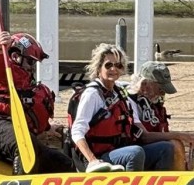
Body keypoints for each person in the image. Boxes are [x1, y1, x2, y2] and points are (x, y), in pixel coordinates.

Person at [0, 30, 76, 174]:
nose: (32, 67)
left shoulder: (25, 83)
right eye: (30, 61)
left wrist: (47, 128)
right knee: (24, 145)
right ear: (15, 56)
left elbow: (29, 111)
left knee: (63, 163)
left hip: (16, 128)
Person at [68, 43, 176, 173]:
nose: (113, 69)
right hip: (98, 158)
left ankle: (159, 184)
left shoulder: (120, 92)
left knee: (166, 148)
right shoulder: (92, 94)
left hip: (119, 151)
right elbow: (77, 131)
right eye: (108, 65)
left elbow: (140, 131)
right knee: (135, 152)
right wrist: (92, 160)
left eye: (118, 65)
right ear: (98, 68)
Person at [126, 61, 194, 171]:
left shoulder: (153, 102)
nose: (163, 93)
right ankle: (179, 179)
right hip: (139, 152)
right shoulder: (129, 101)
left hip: (160, 151)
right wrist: (180, 136)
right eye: (160, 89)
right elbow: (144, 136)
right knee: (174, 145)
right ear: (144, 84)